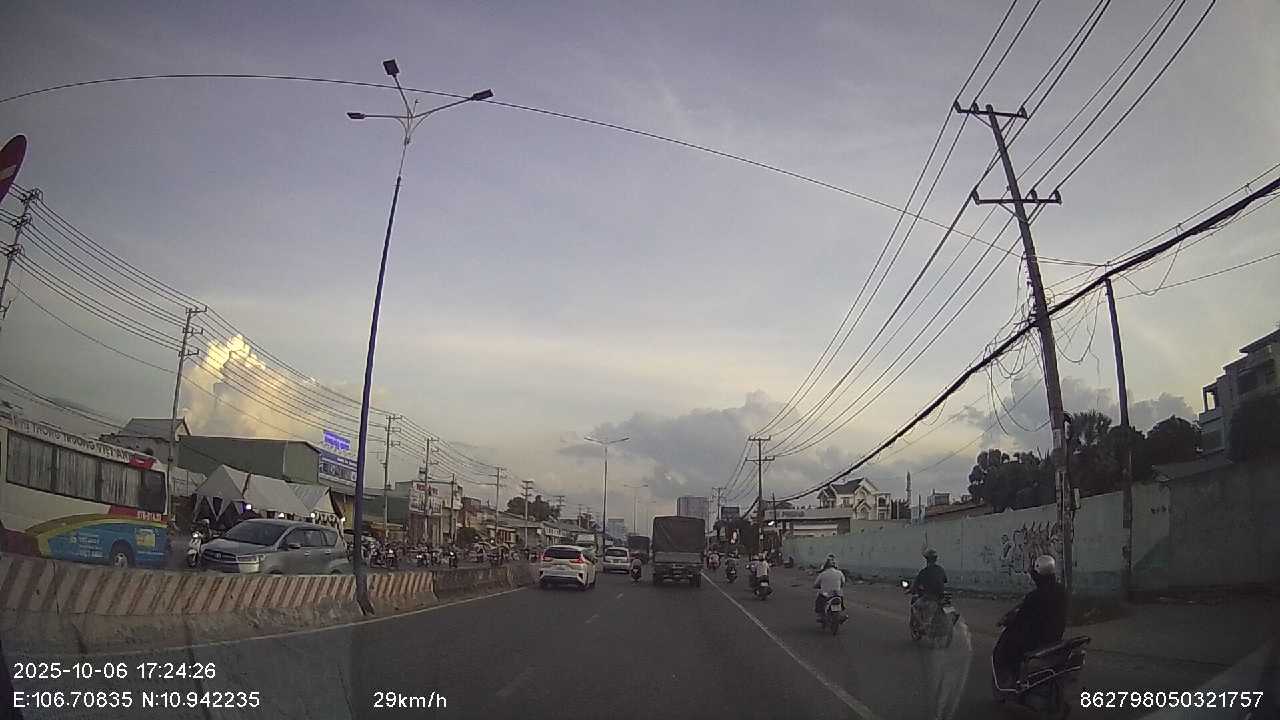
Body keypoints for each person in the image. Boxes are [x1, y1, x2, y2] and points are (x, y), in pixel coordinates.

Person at [994, 554, 1069, 685]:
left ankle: (1014, 680)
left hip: (1037, 640)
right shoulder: (1061, 591)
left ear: (1038, 575)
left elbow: (1020, 619)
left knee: (1007, 647)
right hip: (1055, 636)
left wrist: (1007, 620)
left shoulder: (1034, 596)